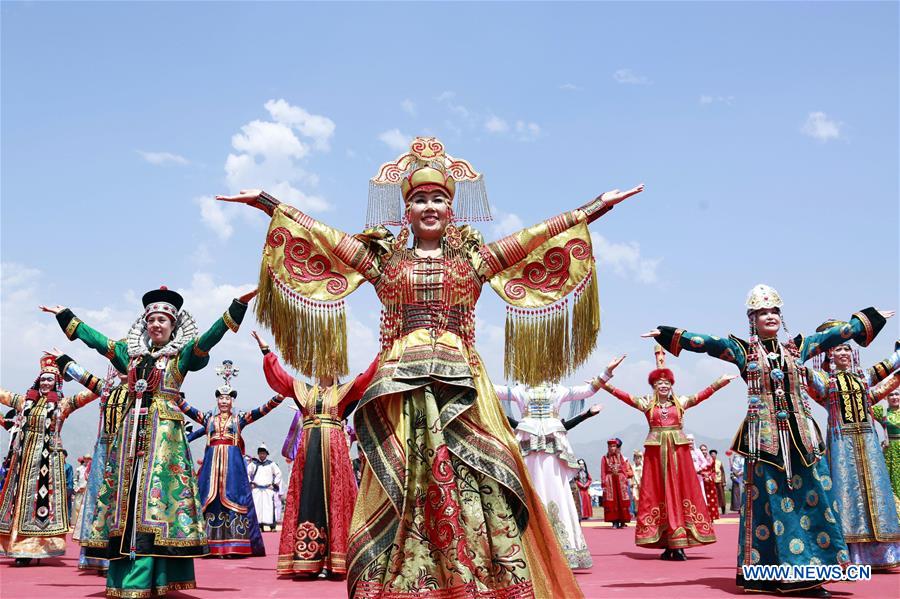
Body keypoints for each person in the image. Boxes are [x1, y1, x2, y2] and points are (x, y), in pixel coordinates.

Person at [218, 136, 644, 597]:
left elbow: (534, 238)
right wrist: (268, 203)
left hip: (462, 385)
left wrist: (594, 208)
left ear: (451, 207)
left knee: (480, 482)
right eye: (419, 199)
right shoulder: (384, 263)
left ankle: (483, 581)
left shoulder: (475, 260)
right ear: (407, 209)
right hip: (401, 386)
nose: (429, 206)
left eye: (438, 198)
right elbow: (329, 239)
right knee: (407, 485)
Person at [644, 283, 893, 596]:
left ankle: (813, 571)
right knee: (772, 506)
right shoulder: (742, 351)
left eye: (775, 310)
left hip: (802, 440)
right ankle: (780, 575)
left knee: (813, 500)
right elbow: (706, 343)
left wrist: (870, 320)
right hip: (765, 443)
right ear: (752, 318)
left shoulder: (797, 347)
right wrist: (668, 334)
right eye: (763, 312)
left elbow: (836, 335)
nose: (770, 316)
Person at [41, 285, 254, 597]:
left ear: (173, 326)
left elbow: (209, 337)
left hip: (164, 441)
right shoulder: (130, 355)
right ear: (145, 323)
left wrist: (237, 305)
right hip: (128, 439)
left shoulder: (180, 356)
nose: (156, 324)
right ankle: (124, 575)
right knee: (126, 505)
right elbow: (99, 342)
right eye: (152, 319)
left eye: (163, 321)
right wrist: (66, 316)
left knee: (157, 508)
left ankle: (154, 576)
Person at [255, 331, 375, 579]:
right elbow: (280, 379)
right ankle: (307, 561)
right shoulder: (303, 390)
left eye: (330, 362)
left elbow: (366, 380)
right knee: (307, 496)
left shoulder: (344, 391)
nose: (324, 366)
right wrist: (267, 352)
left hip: (334, 451)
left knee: (335, 497)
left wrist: (384, 353)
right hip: (308, 451)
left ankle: (335, 560)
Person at [598, 350, 733, 559]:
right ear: (653, 387)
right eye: (659, 383)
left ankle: (679, 542)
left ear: (671, 385)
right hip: (655, 455)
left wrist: (719, 382)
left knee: (681, 492)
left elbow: (701, 396)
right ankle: (666, 542)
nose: (663, 386)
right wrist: (605, 380)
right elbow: (624, 396)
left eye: (667, 383)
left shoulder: (680, 402)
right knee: (658, 494)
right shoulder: (646, 404)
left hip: (679, 455)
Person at [806, 325, 900, 569]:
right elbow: (801, 374)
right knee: (845, 495)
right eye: (839, 349)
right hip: (841, 445)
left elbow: (886, 370)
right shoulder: (825, 382)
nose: (845, 353)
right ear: (830, 356)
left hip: (868, 443)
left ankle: (882, 555)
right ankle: (848, 554)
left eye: (848, 349)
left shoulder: (863, 378)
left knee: (877, 493)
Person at [173, 361, 285, 557]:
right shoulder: (208, 419)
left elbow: (259, 412)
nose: (224, 402)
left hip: (232, 467)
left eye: (227, 399)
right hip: (211, 466)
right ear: (217, 401)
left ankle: (235, 546)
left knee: (234, 500)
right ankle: (208, 545)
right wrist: (175, 396)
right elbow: (189, 410)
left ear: (232, 401)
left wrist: (276, 399)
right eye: (221, 399)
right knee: (210, 499)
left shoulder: (238, 419)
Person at [0, 353, 101, 565]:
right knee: (20, 500)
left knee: (40, 503)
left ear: (57, 382)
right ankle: (19, 547)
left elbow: (95, 391)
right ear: (38, 381)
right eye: (43, 379)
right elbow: (2, 394)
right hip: (24, 459)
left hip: (48, 460)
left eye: (50, 379)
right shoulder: (23, 401)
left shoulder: (64, 404)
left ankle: (35, 547)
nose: (46, 382)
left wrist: (71, 366)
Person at [495, 383, 605, 569]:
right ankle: (527, 549)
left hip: (552, 453)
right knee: (528, 494)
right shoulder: (520, 390)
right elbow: (490, 390)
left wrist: (605, 375)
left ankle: (563, 550)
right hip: (527, 450)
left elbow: (587, 390)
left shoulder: (557, 390)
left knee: (557, 495)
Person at [873, 387, 900, 506]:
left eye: (897, 394)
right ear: (886, 397)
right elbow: (865, 405)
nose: (894, 397)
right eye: (891, 395)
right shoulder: (882, 412)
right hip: (891, 452)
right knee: (893, 480)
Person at [248, 444, 282, 533]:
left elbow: (279, 473)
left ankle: (272, 526)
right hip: (257, 489)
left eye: (263, 453)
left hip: (268, 489)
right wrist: (250, 483)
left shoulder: (271, 464)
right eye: (260, 453)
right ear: (258, 454)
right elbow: (246, 473)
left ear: (266, 454)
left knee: (269, 507)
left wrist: (274, 484)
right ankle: (259, 526)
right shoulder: (253, 464)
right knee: (257, 508)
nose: (262, 455)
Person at [601, 438, 633, 529]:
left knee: (621, 501)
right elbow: (603, 471)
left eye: (614, 446)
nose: (612, 448)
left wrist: (625, 479)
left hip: (620, 482)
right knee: (612, 502)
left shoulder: (620, 457)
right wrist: (604, 483)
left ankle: (622, 520)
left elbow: (623, 469)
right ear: (608, 447)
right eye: (610, 446)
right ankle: (614, 521)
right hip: (610, 482)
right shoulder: (604, 458)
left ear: (616, 447)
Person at [698, 443, 720, 521]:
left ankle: (712, 517)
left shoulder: (711, 459)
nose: (704, 451)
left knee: (711, 499)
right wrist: (703, 475)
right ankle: (703, 517)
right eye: (702, 450)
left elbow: (713, 471)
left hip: (710, 483)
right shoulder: (697, 460)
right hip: (701, 482)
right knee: (702, 499)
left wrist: (710, 477)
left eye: (705, 450)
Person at [710, 449, 727, 515]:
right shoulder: (708, 462)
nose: (713, 455)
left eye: (714, 454)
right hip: (712, 482)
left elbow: (723, 472)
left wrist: (724, 481)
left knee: (722, 496)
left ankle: (723, 510)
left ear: (716, 455)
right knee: (713, 496)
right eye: (711, 454)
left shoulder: (719, 462)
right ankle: (714, 511)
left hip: (719, 481)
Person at [631, 449, 644, 517]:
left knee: (642, 498)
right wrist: (632, 484)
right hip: (635, 485)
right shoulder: (632, 467)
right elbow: (631, 477)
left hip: (642, 485)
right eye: (635, 458)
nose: (637, 460)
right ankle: (636, 511)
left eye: (638, 458)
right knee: (635, 498)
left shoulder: (643, 467)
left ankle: (642, 511)